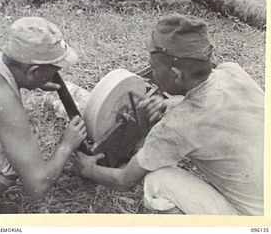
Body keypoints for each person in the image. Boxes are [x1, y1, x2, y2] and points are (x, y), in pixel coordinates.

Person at [74, 14, 264, 215]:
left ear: (177, 75)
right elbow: (211, 107)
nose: (153, 73)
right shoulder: (233, 72)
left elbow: (123, 180)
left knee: (158, 182)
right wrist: (170, 104)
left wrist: (89, 170)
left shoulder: (175, 127)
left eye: (154, 68)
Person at [0, 17, 87, 213]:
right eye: (54, 70)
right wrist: (66, 146)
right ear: (33, 71)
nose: (56, 75)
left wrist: (31, 81)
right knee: (9, 156)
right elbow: (38, 186)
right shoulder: (2, 101)